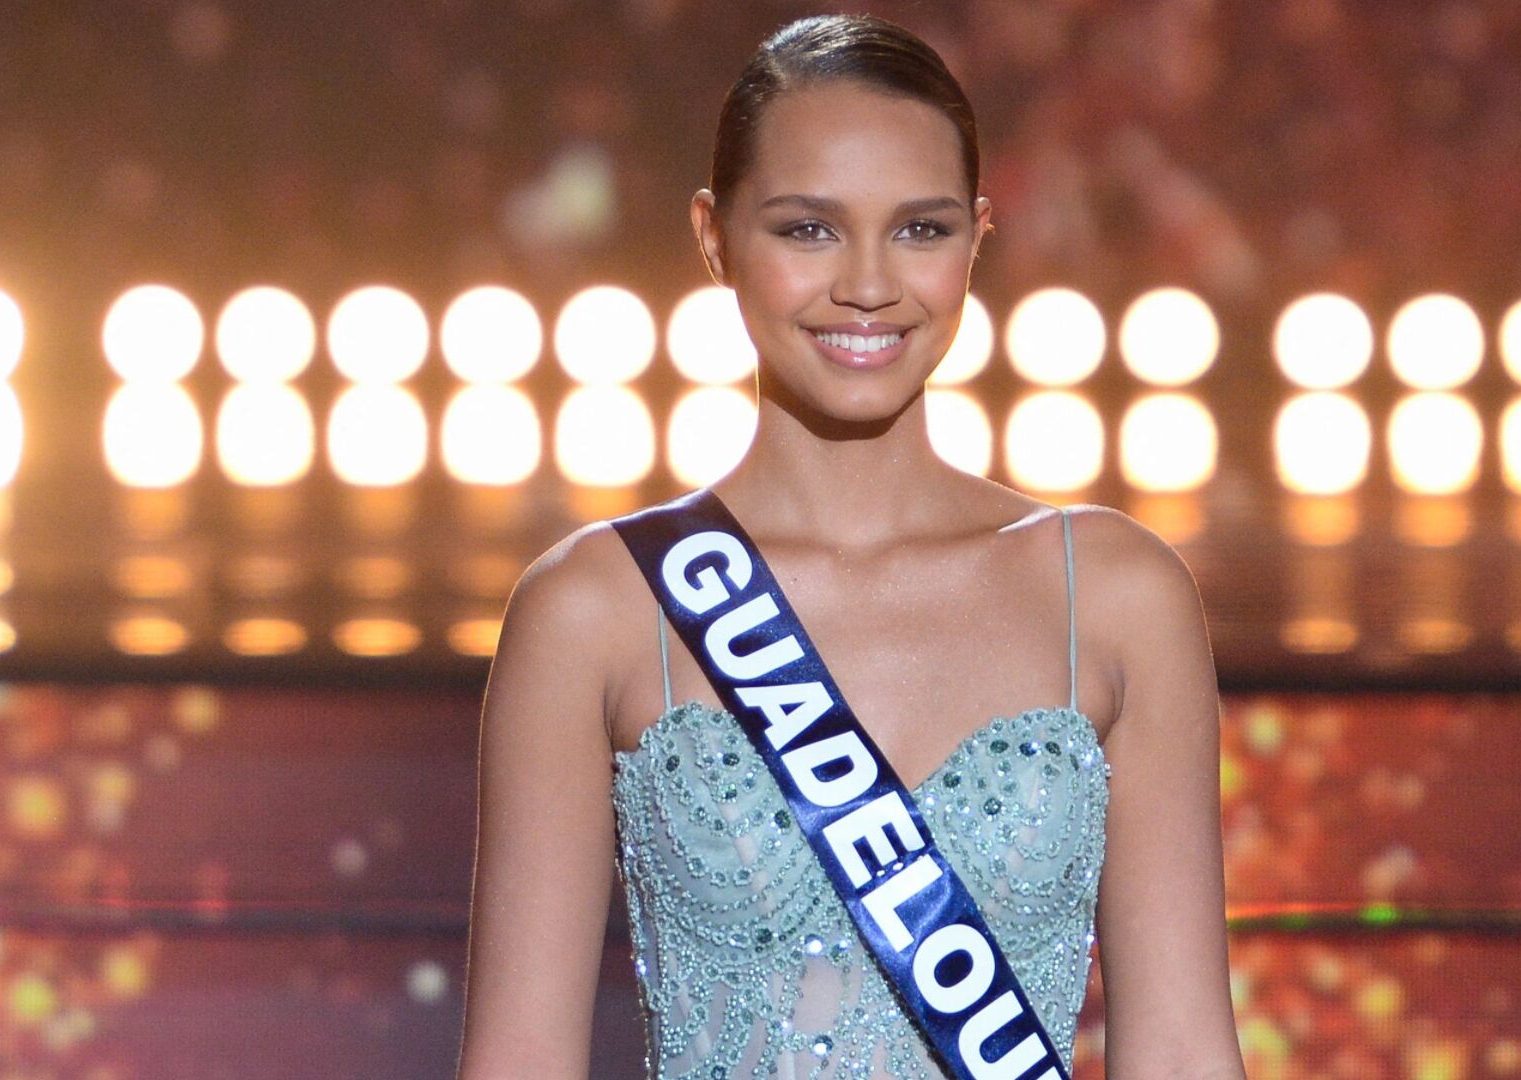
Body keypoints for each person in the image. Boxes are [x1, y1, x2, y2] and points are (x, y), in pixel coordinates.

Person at [456, 13, 1245, 1080]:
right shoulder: (596, 610)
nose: (868, 285)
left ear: (976, 235)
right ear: (712, 236)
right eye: (808, 230)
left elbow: (1186, 1051)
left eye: (919, 229)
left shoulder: (1113, 596)